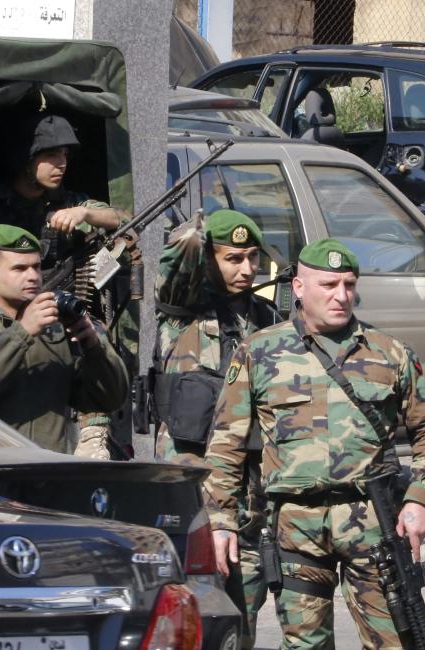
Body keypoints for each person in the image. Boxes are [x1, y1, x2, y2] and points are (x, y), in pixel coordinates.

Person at [204, 238, 425, 649]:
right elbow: (225, 445)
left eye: (349, 284)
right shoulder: (258, 351)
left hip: (374, 521)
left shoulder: (389, 352)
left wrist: (420, 500)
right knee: (305, 645)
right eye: (328, 285)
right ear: (299, 287)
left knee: (397, 640)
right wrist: (221, 521)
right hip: (295, 523)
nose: (342, 296)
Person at [0, 113, 130, 458]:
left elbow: (123, 218)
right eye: (51, 155)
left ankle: (95, 432)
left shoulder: (70, 201)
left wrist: (85, 215)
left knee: (98, 336)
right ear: (25, 159)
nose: (61, 164)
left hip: (55, 310)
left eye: (65, 156)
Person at [152, 209, 281, 650]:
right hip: (190, 482)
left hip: (247, 484)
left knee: (247, 593)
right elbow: (176, 260)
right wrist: (196, 231)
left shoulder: (266, 318)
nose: (247, 269)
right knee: (191, 598)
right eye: (232, 259)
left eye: (252, 258)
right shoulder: (181, 307)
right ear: (209, 259)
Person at [0, 224, 129, 454]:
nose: (33, 276)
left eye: (36, 267)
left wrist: (94, 347)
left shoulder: (55, 330)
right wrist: (21, 332)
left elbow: (108, 400)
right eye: (19, 268)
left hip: (49, 476)